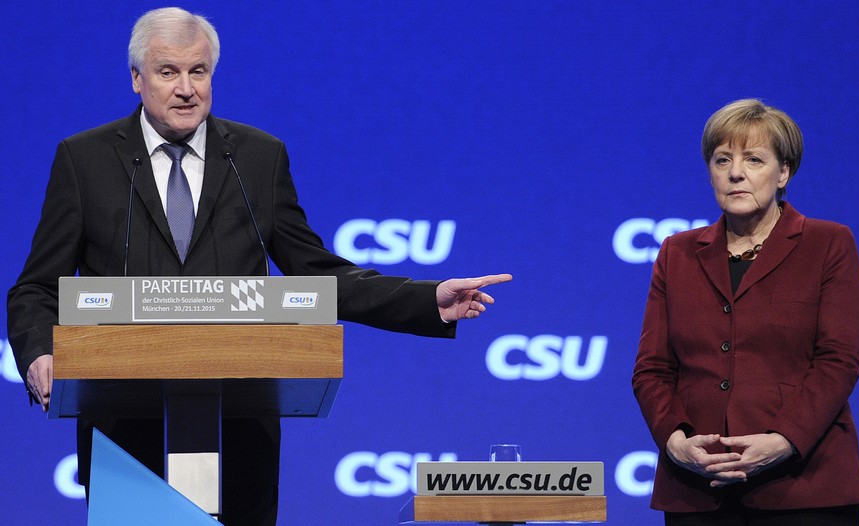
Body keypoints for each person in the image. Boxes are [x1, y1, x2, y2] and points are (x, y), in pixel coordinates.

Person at [6, 7, 511, 526]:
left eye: (198, 71)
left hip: (239, 430)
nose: (186, 88)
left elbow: (316, 274)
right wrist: (40, 350)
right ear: (136, 79)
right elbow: (36, 287)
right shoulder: (84, 160)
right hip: (122, 433)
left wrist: (425, 300)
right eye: (168, 72)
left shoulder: (257, 158)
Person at [632, 99, 859, 525]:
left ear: (783, 173)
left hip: (804, 489)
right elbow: (652, 368)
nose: (735, 172)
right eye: (722, 160)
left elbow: (839, 360)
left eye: (753, 159)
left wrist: (782, 440)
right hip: (698, 489)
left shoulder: (827, 243)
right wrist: (675, 441)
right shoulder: (678, 252)